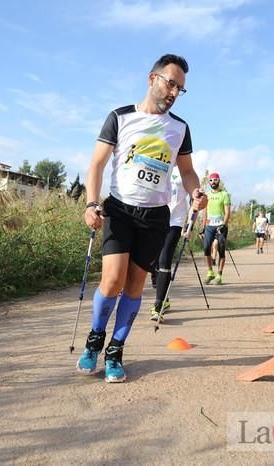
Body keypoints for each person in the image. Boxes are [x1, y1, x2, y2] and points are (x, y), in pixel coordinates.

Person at [77, 54, 207, 383]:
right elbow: (96, 165)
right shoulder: (120, 118)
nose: (174, 92)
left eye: (180, 89)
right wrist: (92, 203)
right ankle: (95, 340)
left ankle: (116, 350)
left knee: (134, 285)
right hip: (120, 209)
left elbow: (188, 172)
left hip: (155, 217)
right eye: (171, 83)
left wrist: (196, 193)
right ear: (152, 79)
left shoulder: (180, 128)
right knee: (112, 280)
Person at [149, 173, 193, 322]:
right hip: (157, 217)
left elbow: (194, 197)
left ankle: (158, 305)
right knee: (153, 260)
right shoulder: (161, 163)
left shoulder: (185, 169)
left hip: (176, 220)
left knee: (164, 258)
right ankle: (164, 296)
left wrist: (190, 225)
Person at [203, 172, 231, 285]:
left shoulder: (224, 194)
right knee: (206, 248)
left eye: (215, 180)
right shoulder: (207, 195)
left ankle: (219, 274)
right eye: (210, 180)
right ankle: (210, 272)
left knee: (221, 250)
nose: (213, 182)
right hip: (210, 226)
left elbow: (227, 212)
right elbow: (205, 211)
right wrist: (203, 226)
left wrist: (224, 224)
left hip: (221, 226)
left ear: (218, 181)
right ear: (208, 182)